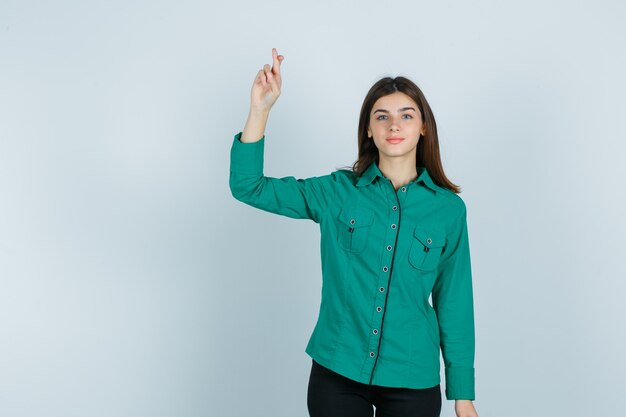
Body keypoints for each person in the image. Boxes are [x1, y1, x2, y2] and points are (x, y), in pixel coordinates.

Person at [229, 48, 479, 417]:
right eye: (383, 117)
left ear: (423, 126)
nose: (394, 126)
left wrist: (463, 395)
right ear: (368, 128)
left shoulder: (448, 211)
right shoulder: (336, 192)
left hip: (412, 375)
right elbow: (248, 186)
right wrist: (260, 110)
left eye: (406, 116)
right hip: (338, 370)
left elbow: (455, 302)